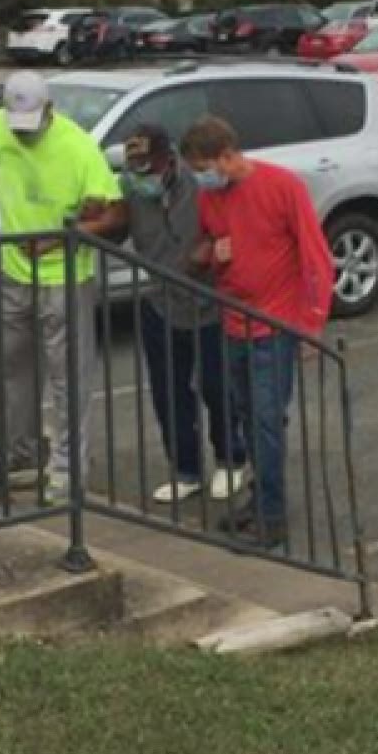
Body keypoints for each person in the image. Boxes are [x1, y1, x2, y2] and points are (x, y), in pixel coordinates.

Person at [0, 71, 126, 504]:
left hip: (66, 275)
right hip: (14, 270)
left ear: (49, 111)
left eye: (32, 125)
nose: (25, 134)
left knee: (67, 376)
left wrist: (60, 237)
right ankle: (18, 452)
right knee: (14, 364)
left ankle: (68, 470)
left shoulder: (77, 148)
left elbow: (114, 216)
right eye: (18, 124)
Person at [181, 115, 334, 548]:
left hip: (273, 326)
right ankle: (260, 498)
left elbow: (315, 256)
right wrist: (211, 254)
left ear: (227, 156)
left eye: (205, 168)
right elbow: (208, 250)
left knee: (266, 421)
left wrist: (311, 322)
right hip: (233, 322)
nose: (203, 179)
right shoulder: (211, 200)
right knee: (248, 417)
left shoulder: (282, 186)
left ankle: (272, 515)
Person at [118, 124, 250, 505]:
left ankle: (231, 458)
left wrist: (208, 248)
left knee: (216, 383)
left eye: (149, 168)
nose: (143, 177)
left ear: (168, 159)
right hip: (159, 298)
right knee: (169, 392)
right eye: (135, 169)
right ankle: (186, 468)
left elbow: (230, 226)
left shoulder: (202, 183)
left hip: (207, 298)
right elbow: (119, 225)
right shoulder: (132, 188)